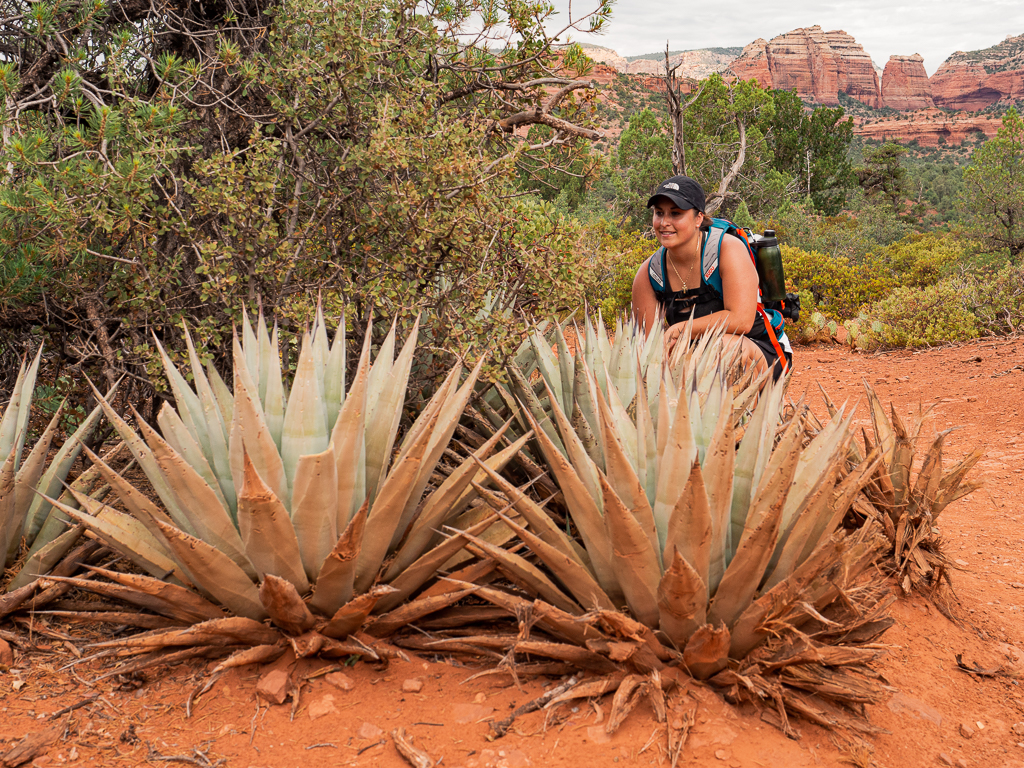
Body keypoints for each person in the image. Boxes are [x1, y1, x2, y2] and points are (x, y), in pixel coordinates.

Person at [630, 175, 792, 377]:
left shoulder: (726, 250)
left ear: (698, 218)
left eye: (676, 213)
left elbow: (742, 320)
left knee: (722, 349)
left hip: (758, 350)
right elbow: (648, 347)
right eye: (659, 213)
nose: (664, 222)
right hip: (692, 365)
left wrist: (679, 329)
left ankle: (758, 406)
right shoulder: (650, 274)